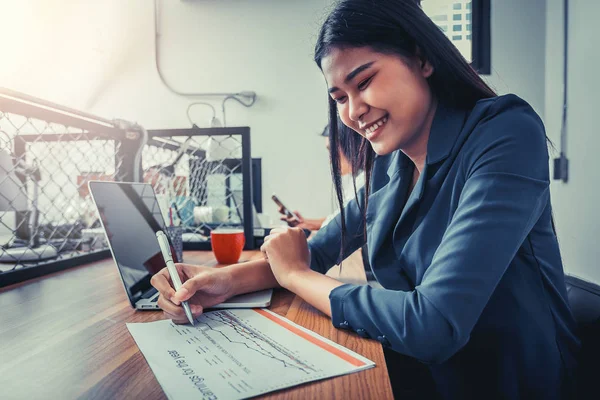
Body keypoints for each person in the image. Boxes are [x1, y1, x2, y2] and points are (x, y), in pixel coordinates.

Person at [151, 1, 580, 398]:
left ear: (422, 58)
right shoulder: (390, 165)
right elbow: (316, 252)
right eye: (339, 98)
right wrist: (219, 282)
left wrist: (296, 276)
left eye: (365, 81)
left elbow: (433, 324)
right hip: (425, 375)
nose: (353, 111)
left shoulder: (505, 132)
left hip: (512, 384)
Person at [278, 122, 364, 230]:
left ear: (351, 146)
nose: (330, 160)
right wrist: (305, 222)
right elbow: (340, 218)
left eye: (332, 150)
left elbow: (344, 223)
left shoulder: (364, 183)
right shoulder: (356, 180)